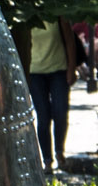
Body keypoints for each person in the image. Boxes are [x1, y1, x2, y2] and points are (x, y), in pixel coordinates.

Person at [16, 17, 79, 174]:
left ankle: (59, 153)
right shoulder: (25, 16)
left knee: (60, 112)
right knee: (43, 117)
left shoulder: (56, 14)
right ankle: (47, 160)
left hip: (59, 70)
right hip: (35, 72)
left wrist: (71, 68)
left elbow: (70, 40)